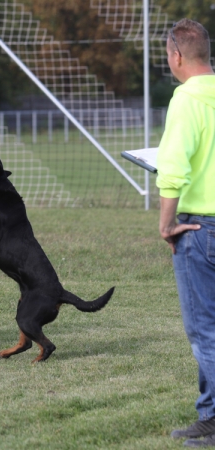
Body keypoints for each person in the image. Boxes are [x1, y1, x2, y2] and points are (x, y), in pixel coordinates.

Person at [157, 18, 215, 448]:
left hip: (200, 227)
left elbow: (173, 168)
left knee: (205, 330)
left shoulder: (186, 99)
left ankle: (213, 419)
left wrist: (166, 223)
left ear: (177, 56)